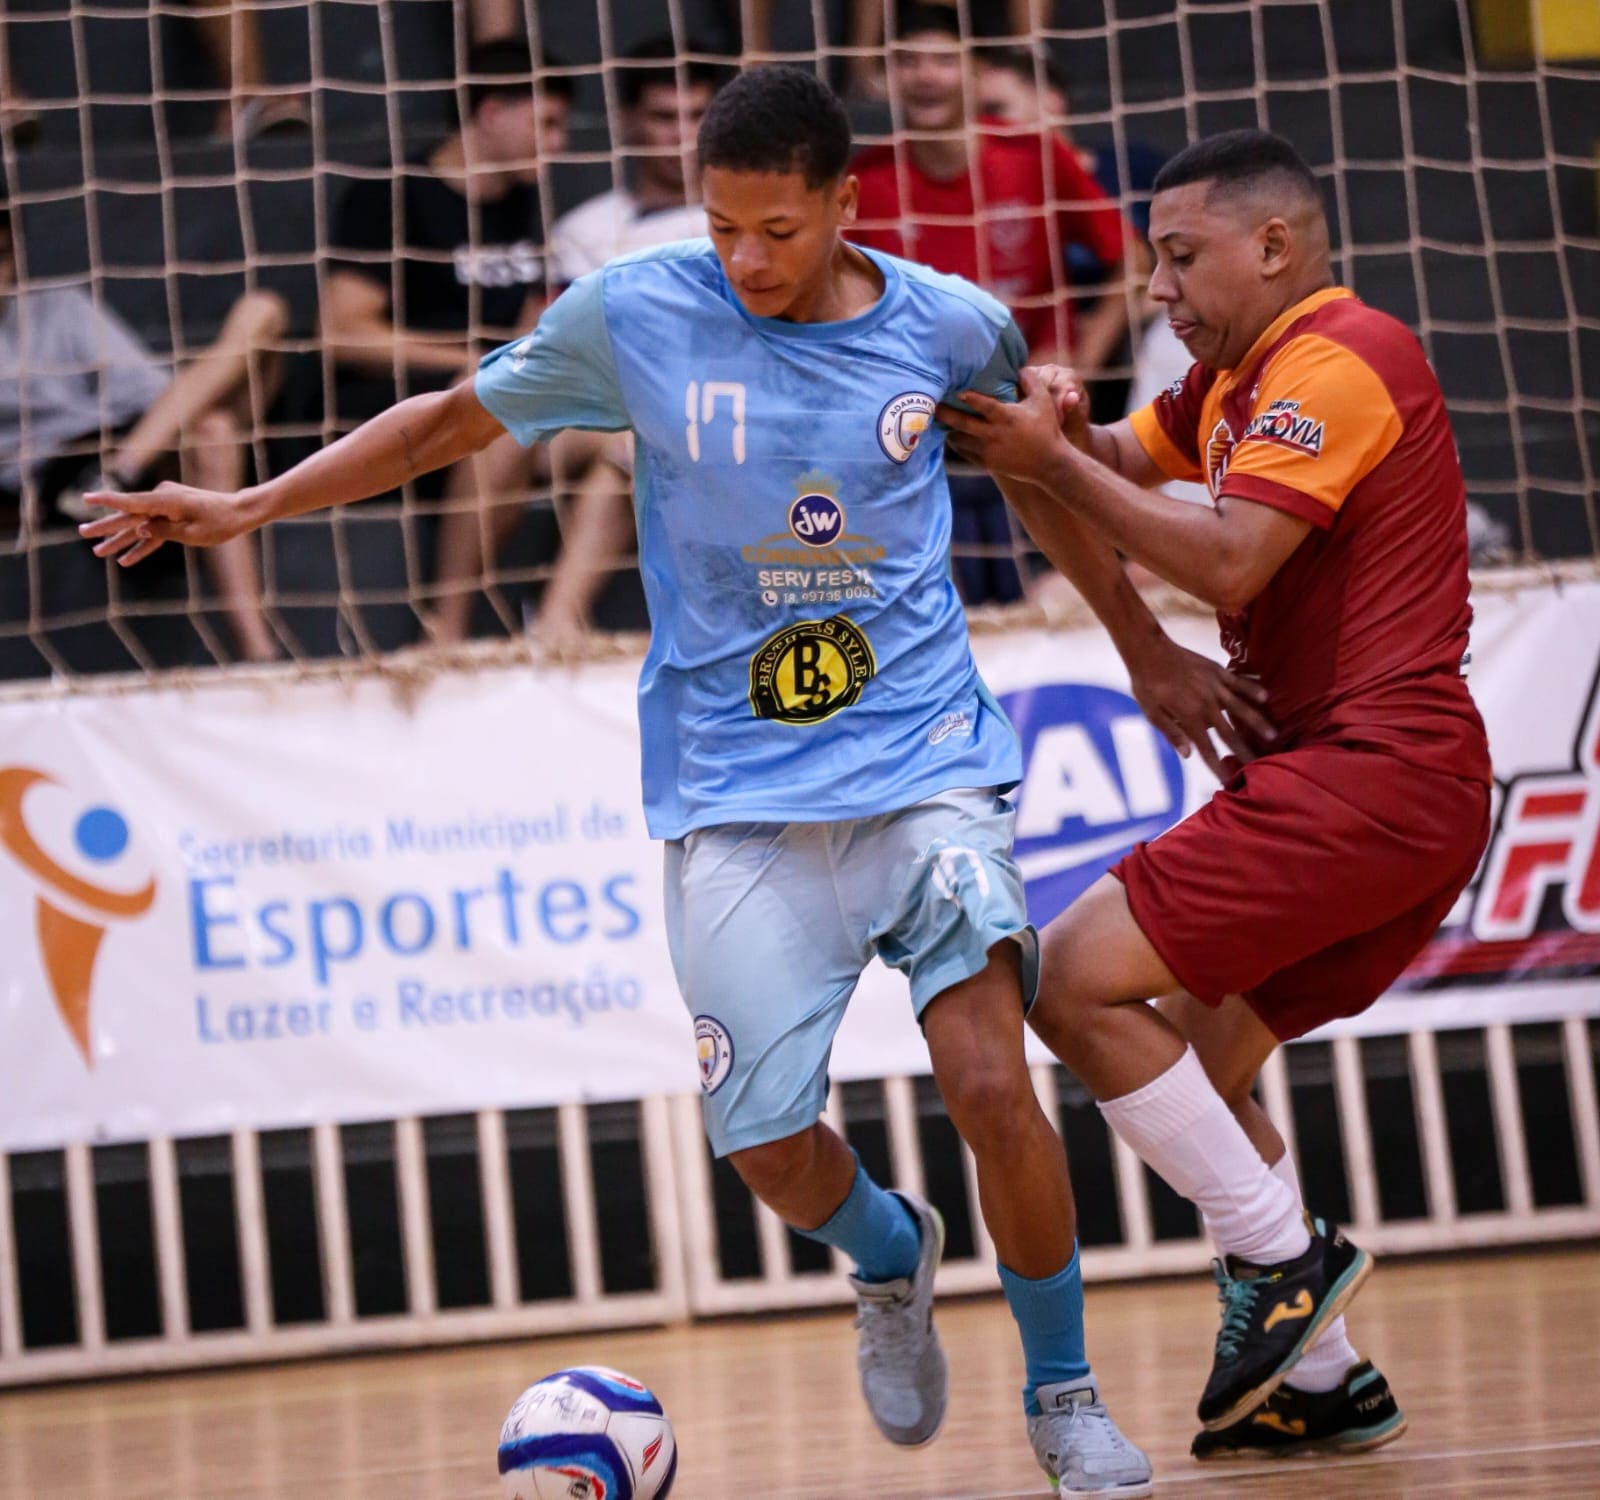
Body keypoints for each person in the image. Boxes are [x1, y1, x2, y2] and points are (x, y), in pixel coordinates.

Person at [81, 66, 1267, 1496]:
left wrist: (1139, 643)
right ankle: (893, 1257)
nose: (747, 260)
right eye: (722, 229)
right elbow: (447, 423)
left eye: (778, 229)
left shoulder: (950, 326)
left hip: (923, 771)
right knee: (768, 1146)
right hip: (733, 796)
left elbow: (1038, 481)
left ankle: (1064, 1397)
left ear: (846, 203)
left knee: (987, 1079)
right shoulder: (635, 311)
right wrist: (253, 502)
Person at [936, 128, 1492, 1459]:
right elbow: (1094, 479)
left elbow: (1234, 563)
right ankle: (1324, 1379)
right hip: (1371, 787)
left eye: (1181, 260)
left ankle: (1285, 1265)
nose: (1160, 293)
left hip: (1375, 772)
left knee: (1068, 979)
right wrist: (1048, 440)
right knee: (1201, 1055)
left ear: (1275, 246)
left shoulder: (1339, 358)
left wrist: (1057, 461)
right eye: (1150, 264)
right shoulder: (1229, 386)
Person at [848, 5, 1143, 607]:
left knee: (1054, 594)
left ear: (975, 73)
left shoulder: (1031, 155)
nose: (925, 76)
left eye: (941, 60)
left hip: (1032, 402)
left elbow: (1133, 258)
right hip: (916, 418)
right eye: (906, 61)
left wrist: (1081, 353)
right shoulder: (867, 179)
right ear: (885, 76)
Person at [321, 37, 571, 644]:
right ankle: (447, 632)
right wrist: (470, 362)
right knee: (507, 414)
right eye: (548, 122)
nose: (559, 143)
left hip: (494, 403)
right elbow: (343, 333)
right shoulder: (394, 193)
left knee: (622, 443)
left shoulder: (522, 203)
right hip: (393, 406)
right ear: (492, 112)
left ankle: (560, 624)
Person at [0, 195, 282, 664]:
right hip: (57, 474)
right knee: (213, 431)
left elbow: (152, 391)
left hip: (129, 440)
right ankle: (260, 652)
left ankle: (121, 468)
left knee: (263, 311)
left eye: (3, 256)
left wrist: (135, 447)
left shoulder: (56, 308)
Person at [532, 35, 722, 654]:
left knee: (634, 447)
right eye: (665, 117)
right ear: (628, 122)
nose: (681, 134)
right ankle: (501, 631)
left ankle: (556, 625)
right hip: (601, 414)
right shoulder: (585, 229)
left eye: (697, 116)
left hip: (722, 416)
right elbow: (552, 352)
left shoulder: (752, 221)